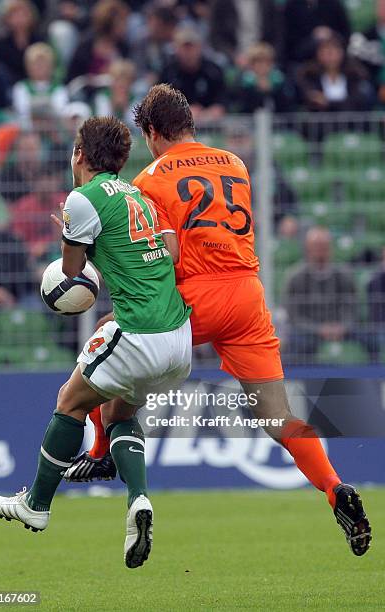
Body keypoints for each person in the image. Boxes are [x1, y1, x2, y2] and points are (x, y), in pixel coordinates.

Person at [65, 85, 371, 557]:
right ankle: (335, 489)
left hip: (195, 295)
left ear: (151, 132)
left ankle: (102, 451)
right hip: (247, 295)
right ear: (189, 124)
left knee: (115, 334)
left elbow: (153, 254)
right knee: (276, 415)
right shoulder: (235, 163)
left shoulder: (150, 179)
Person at [0, 115, 192, 570]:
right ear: (121, 158)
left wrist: (70, 234)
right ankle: (138, 499)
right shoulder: (140, 196)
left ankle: (36, 505)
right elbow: (171, 255)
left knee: (69, 401)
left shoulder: (82, 198)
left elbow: (71, 273)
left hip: (139, 333)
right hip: (179, 339)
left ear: (79, 154)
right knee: (118, 411)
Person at [283, 226, 358, 363]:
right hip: (307, 332)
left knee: (372, 339)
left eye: (324, 246)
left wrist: (341, 327)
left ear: (330, 247)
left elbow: (351, 309)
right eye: (316, 246)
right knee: (293, 343)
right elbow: (294, 316)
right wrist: (319, 329)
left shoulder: (344, 275)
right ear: (307, 248)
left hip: (341, 330)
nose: (320, 250)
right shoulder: (295, 277)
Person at [159, 25, 225, 122]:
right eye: (184, 48)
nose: (188, 52)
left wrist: (216, 109)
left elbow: (222, 98)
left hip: (210, 124)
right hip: (177, 126)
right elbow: (161, 104)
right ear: (176, 49)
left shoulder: (213, 71)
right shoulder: (168, 73)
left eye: (191, 47)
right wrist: (184, 112)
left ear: (199, 47)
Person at [296, 31, 374, 112]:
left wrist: (328, 102)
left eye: (333, 51)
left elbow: (357, 102)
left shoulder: (356, 75)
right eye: (325, 51)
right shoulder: (308, 75)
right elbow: (308, 101)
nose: (330, 56)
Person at [12, 42, 69, 123]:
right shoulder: (20, 87)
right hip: (29, 131)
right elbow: (23, 112)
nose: (39, 67)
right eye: (36, 64)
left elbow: (60, 112)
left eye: (43, 64)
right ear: (28, 66)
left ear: (51, 66)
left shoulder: (59, 88)